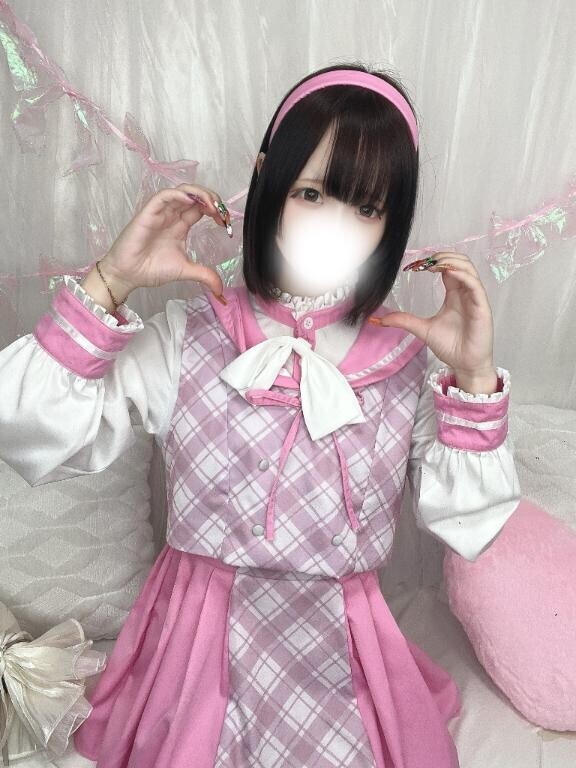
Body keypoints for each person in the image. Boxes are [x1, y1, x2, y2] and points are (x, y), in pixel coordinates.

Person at [0, 62, 521, 768]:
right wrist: (111, 281)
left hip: (344, 654)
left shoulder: (403, 366)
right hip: (192, 651)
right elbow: (27, 429)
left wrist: (474, 377)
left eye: (366, 208)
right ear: (267, 177)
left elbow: (472, 524)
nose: (335, 226)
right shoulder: (190, 338)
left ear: (392, 223)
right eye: (312, 193)